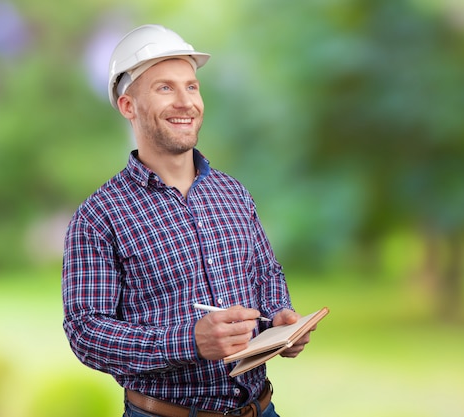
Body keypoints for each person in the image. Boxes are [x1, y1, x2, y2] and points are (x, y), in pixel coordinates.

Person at [62, 24, 312, 417]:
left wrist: (280, 320)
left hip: (260, 409)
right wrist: (190, 342)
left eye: (191, 87)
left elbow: (266, 275)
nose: (186, 102)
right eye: (165, 88)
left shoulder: (234, 193)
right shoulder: (99, 216)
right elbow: (87, 332)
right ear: (128, 106)